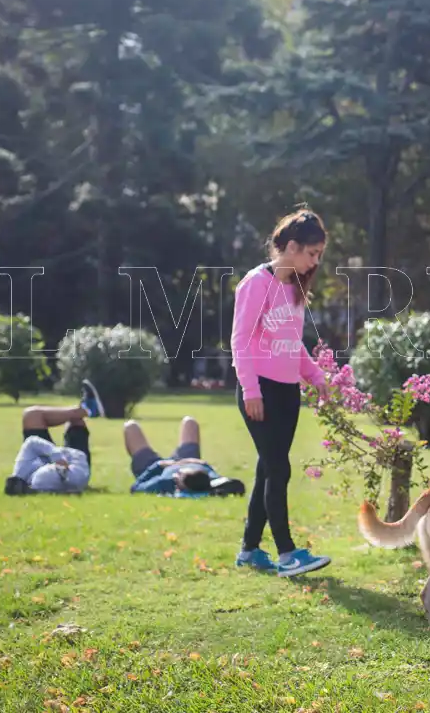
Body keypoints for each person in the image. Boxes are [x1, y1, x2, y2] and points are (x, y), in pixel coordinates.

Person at [231, 206, 331, 577]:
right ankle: (287, 554)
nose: (315, 261)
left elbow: (294, 344)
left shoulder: (294, 289)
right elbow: (239, 340)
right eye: (311, 253)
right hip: (261, 393)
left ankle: (249, 549)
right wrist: (250, 389)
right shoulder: (256, 283)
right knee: (279, 468)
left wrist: (316, 378)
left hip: (288, 393)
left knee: (267, 470)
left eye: (319, 254)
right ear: (290, 246)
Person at [4, 380, 105, 495]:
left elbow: (31, 443)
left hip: (48, 456)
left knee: (31, 415)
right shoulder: (51, 482)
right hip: (74, 462)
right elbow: (75, 480)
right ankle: (86, 409)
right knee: (76, 423)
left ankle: (85, 410)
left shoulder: (22, 471)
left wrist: (56, 455)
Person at [124, 416, 244, 497]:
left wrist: (159, 465)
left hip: (157, 467)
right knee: (190, 422)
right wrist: (197, 463)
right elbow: (233, 484)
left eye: (178, 475)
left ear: (178, 484)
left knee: (131, 427)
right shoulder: (209, 479)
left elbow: (135, 488)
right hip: (189, 460)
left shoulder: (164, 482)